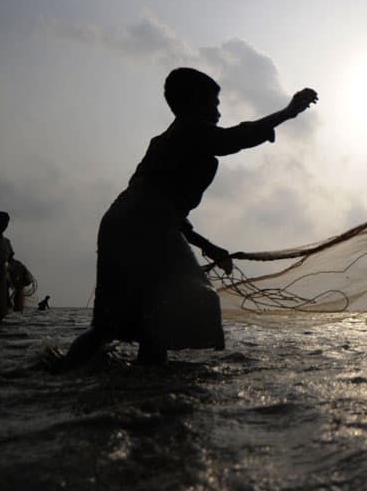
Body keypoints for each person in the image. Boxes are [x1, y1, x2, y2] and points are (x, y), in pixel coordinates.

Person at [60, 68, 317, 369]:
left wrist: (206, 245)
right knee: (174, 303)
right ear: (194, 102)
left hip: (124, 222)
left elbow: (165, 208)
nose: (219, 109)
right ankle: (150, 387)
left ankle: (64, 374)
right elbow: (235, 138)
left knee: (120, 321)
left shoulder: (166, 140)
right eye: (214, 102)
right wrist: (287, 113)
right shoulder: (189, 131)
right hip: (144, 224)